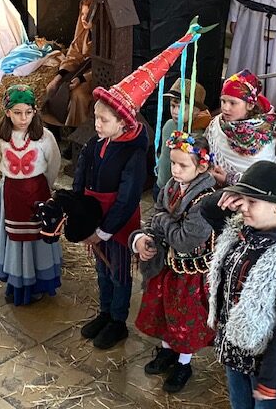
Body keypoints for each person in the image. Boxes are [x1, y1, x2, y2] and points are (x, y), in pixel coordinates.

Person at [74, 23, 205, 350]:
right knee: (101, 269)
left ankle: (118, 320)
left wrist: (104, 230)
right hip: (96, 219)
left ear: (123, 122)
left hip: (117, 224)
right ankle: (104, 312)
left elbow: (128, 195)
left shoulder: (133, 152)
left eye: (103, 120)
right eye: (95, 117)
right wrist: (80, 215)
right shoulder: (97, 143)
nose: (96, 124)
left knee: (118, 271)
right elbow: (81, 174)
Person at [200, 161, 276, 409]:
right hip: (232, 347)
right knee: (239, 402)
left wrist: (272, 378)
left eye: (252, 202)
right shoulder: (239, 231)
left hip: (264, 361)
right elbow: (207, 209)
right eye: (242, 200)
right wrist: (228, 194)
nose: (243, 207)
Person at [131, 133, 216, 393]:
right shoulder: (171, 185)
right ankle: (167, 351)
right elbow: (157, 213)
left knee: (184, 317)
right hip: (167, 266)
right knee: (163, 310)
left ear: (201, 167)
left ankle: (183, 363)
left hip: (190, 272)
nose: (176, 170)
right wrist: (147, 235)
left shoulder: (205, 200)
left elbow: (184, 240)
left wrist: (163, 222)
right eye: (173, 163)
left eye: (182, 165)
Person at [0, 84, 62, 306]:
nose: (23, 118)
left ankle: (38, 282)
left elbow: (53, 164)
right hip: (13, 195)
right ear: (7, 112)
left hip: (37, 194)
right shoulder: (0, 138)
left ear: (34, 111)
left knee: (37, 237)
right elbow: (0, 161)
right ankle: (18, 281)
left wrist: (45, 187)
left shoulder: (44, 137)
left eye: (28, 112)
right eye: (17, 112)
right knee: (16, 238)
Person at [204, 69, 276, 187]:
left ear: (250, 105)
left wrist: (229, 179)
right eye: (223, 101)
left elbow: (265, 179)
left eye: (232, 103)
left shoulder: (264, 134)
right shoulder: (216, 124)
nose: (225, 108)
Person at [154, 78, 211, 200]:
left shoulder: (201, 134)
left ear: (196, 110)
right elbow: (164, 155)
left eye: (181, 108)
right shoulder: (169, 125)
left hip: (181, 192)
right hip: (161, 184)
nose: (175, 112)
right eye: (173, 106)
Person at [43, 0, 95, 128]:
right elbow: (73, 56)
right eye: (82, 14)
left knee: (79, 95)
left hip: (94, 78)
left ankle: (76, 130)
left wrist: (81, 79)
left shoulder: (105, 38)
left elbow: (100, 67)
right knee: (52, 87)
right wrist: (59, 77)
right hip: (78, 73)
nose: (83, 19)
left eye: (88, 15)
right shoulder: (83, 34)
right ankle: (53, 127)